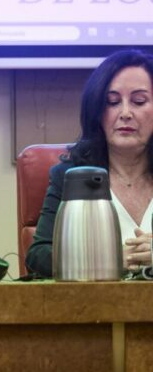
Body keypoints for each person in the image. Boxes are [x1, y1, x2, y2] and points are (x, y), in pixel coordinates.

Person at [26, 49, 153, 277]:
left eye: (139, 101)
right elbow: (38, 255)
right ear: (97, 112)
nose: (125, 113)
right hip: (95, 310)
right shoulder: (72, 175)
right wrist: (108, 260)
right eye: (112, 102)